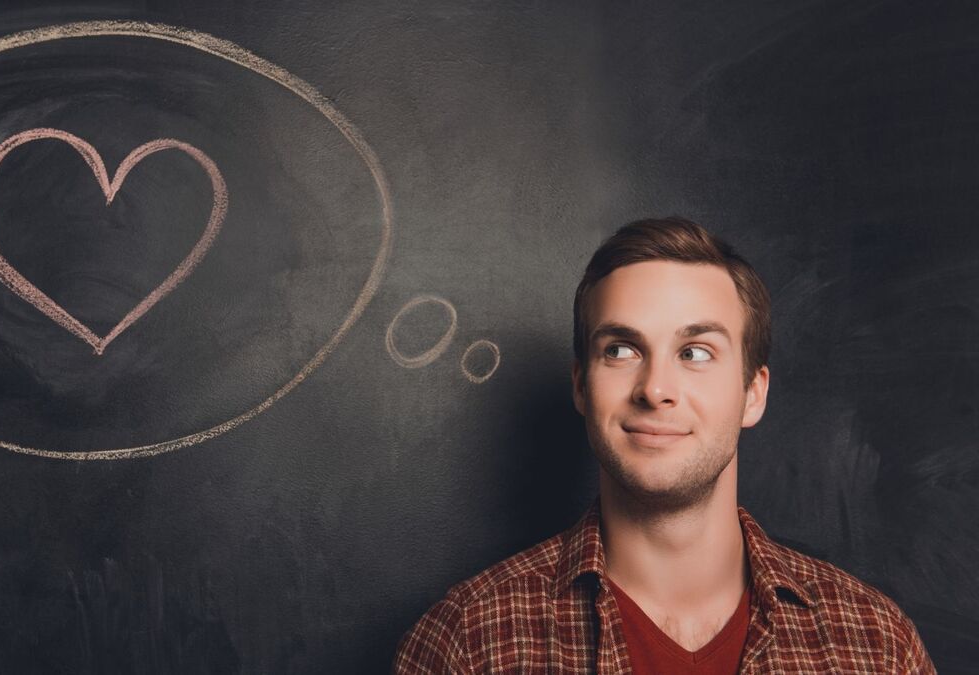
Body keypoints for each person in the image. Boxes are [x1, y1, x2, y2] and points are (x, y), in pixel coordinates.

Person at [393, 218, 934, 674]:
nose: (655, 388)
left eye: (696, 352)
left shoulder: (877, 646)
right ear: (582, 385)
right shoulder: (468, 642)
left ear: (752, 393)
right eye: (623, 349)